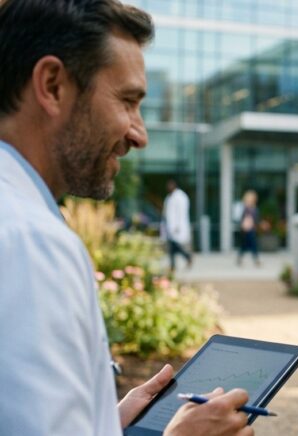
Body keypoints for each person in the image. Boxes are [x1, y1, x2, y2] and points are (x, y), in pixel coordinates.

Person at [0, 1, 253, 435]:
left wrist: (105, 420)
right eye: (128, 101)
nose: (139, 134)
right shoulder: (30, 241)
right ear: (53, 85)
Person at [163, 178, 193, 272]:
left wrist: (177, 226)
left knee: (174, 246)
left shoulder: (180, 197)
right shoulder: (169, 197)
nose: (169, 187)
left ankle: (187, 257)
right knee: (172, 247)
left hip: (177, 227)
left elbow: (181, 213)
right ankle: (174, 265)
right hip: (170, 227)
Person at [237, 190, 261, 266]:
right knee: (244, 245)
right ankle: (240, 258)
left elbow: (256, 219)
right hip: (245, 230)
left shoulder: (255, 209)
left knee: (253, 245)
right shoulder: (245, 209)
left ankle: (255, 259)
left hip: (252, 230)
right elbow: (242, 219)